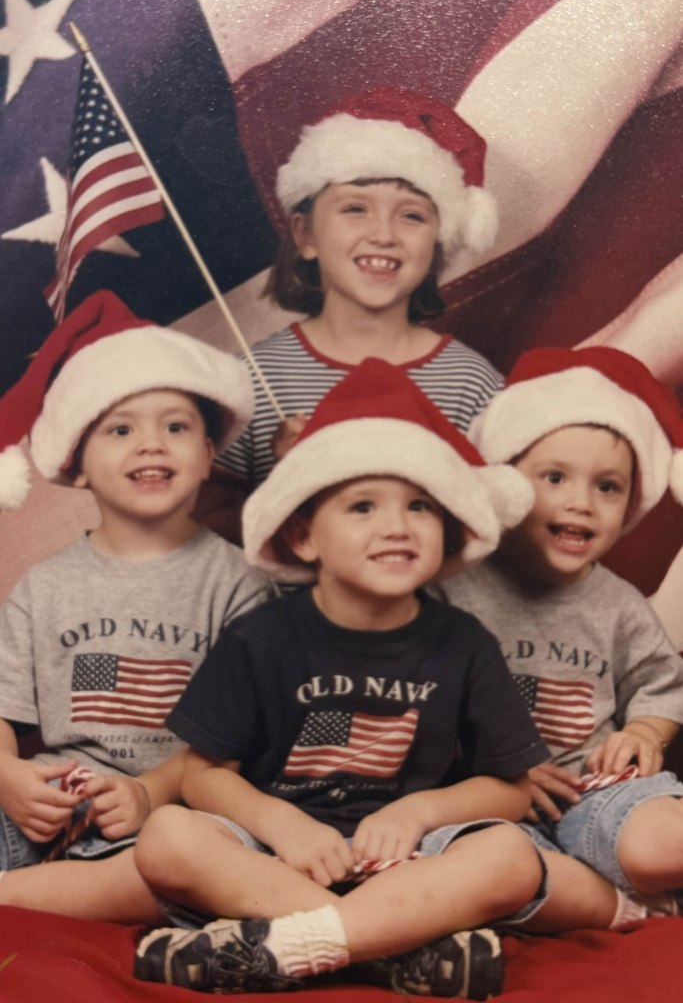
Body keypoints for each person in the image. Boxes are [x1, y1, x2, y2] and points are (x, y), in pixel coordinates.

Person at [132, 358, 549, 999]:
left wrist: (420, 810)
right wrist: (282, 825)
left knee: (514, 857)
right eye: (362, 506)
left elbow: (511, 790)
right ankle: (390, 949)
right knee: (165, 837)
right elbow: (201, 773)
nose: (396, 525)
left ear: (449, 527)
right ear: (303, 536)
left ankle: (293, 948)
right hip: (276, 858)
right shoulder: (260, 638)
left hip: (411, 861)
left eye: (419, 505)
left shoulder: (463, 643)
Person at [0, 289, 272, 923]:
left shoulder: (239, 585)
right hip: (52, 807)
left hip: (175, 809)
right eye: (120, 429)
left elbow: (235, 743)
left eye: (175, 426)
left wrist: (149, 793)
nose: (150, 444)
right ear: (76, 463)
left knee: (204, 858)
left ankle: (16, 900)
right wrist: (8, 779)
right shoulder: (42, 587)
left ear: (208, 455)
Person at [440, 345, 683, 932]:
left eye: (608, 487)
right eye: (554, 477)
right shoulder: (451, 588)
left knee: (659, 845)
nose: (581, 502)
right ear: (504, 483)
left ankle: (635, 880)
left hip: (593, 791)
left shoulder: (618, 604)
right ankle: (624, 906)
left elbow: (662, 685)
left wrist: (646, 733)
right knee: (485, 872)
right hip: (485, 804)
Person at [197, 86, 503, 543]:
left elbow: (497, 531)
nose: (383, 235)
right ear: (305, 235)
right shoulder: (249, 381)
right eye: (355, 209)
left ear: (440, 242)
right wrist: (287, 486)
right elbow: (210, 537)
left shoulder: (472, 384)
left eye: (413, 216)